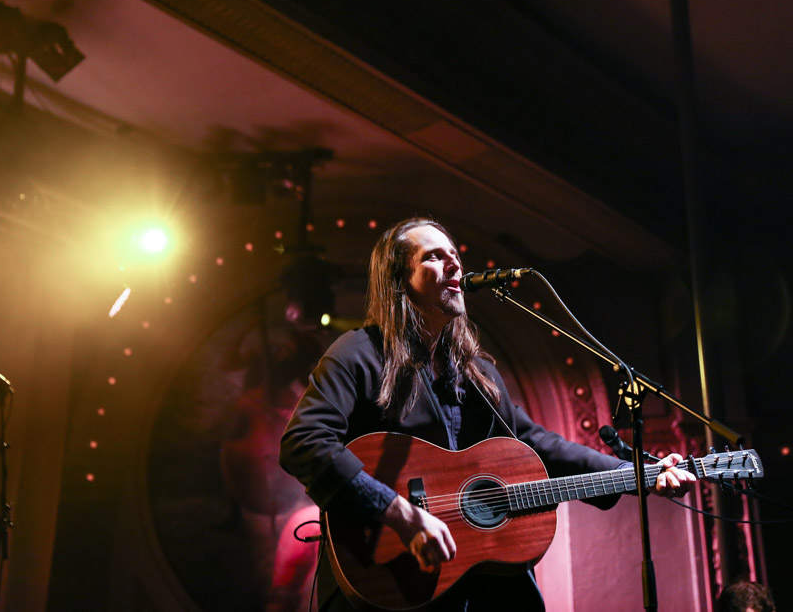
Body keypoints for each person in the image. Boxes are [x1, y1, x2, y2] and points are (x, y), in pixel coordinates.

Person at [279, 217, 697, 611]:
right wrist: (400, 514)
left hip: (474, 589)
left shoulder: (476, 374)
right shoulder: (359, 354)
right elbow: (304, 442)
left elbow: (537, 445)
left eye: (454, 253)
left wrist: (639, 472)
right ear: (399, 282)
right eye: (433, 256)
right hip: (387, 585)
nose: (454, 262)